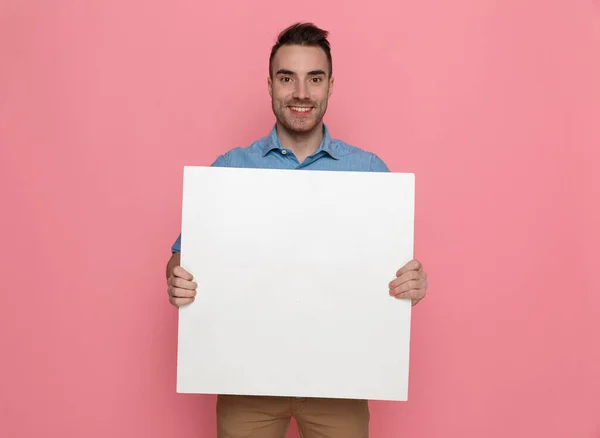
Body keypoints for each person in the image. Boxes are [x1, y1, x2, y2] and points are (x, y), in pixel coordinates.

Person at [165, 22, 428, 438]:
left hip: (339, 383)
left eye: (315, 79)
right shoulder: (230, 169)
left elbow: (389, 278)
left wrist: (411, 286)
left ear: (330, 86)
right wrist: (176, 276)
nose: (301, 93)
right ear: (270, 85)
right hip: (245, 382)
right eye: (287, 78)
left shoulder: (371, 173)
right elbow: (182, 257)